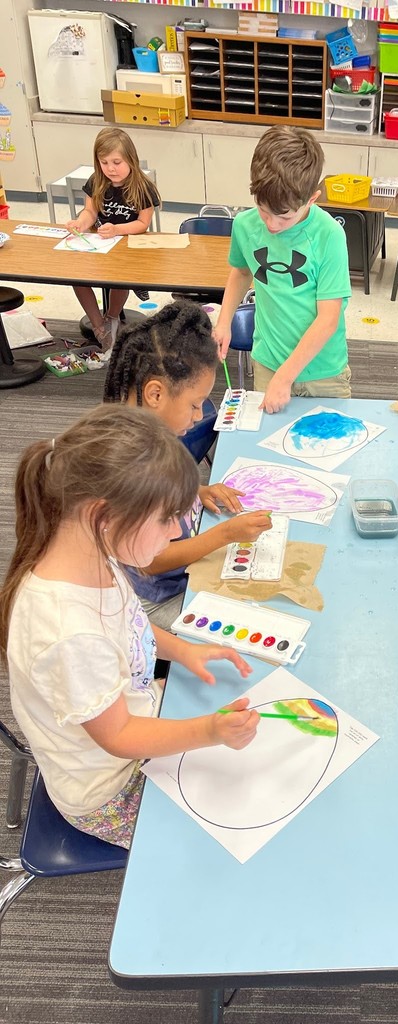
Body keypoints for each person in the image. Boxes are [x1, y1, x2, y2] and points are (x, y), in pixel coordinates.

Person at [0, 405, 261, 849]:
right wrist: (209, 732)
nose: (179, 528)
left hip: (138, 718)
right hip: (110, 790)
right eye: (166, 518)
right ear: (103, 515)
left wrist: (181, 649)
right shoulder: (67, 631)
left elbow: (130, 622)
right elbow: (119, 736)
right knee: (244, 814)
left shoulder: (94, 553)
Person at [103, 301, 272, 629]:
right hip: (155, 601)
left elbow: (160, 495)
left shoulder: (149, 432)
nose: (199, 415)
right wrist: (225, 534)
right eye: (195, 404)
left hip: (178, 576)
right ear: (155, 394)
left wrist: (197, 490)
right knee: (254, 618)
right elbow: (151, 562)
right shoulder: (129, 466)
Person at [212, 125, 352, 414]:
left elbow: (328, 319)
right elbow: (241, 272)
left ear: (311, 198)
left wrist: (285, 378)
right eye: (263, 210)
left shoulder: (328, 236)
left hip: (323, 371)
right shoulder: (245, 226)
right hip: (268, 362)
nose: (272, 225)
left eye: (284, 216)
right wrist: (224, 321)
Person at [66, 127, 160, 353]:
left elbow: (142, 223)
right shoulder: (96, 181)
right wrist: (81, 221)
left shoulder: (142, 186)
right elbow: (90, 211)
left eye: (117, 162)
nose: (110, 168)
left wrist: (117, 229)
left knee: (121, 278)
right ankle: (99, 327)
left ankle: (112, 318)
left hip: (130, 244)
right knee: (76, 277)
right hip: (101, 242)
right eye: (104, 162)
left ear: (130, 159)